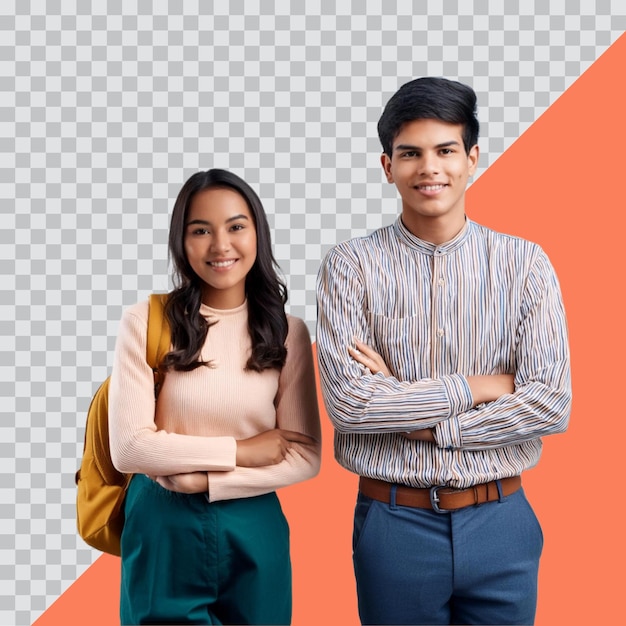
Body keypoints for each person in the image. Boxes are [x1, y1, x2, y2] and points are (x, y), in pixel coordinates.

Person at [316, 77, 571, 625]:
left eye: (445, 150)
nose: (429, 167)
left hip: (501, 520)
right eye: (410, 153)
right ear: (388, 167)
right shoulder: (350, 266)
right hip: (395, 522)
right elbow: (352, 407)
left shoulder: (525, 265)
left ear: (472, 158)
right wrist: (480, 388)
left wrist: (422, 421)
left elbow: (550, 403)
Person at [108, 168, 321, 625]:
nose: (220, 245)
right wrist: (241, 451)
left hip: (254, 520)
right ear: (181, 242)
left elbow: (304, 455)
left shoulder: (287, 332)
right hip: (162, 523)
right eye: (200, 230)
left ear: (257, 234)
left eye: (236, 227)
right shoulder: (146, 321)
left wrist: (203, 481)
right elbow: (129, 448)